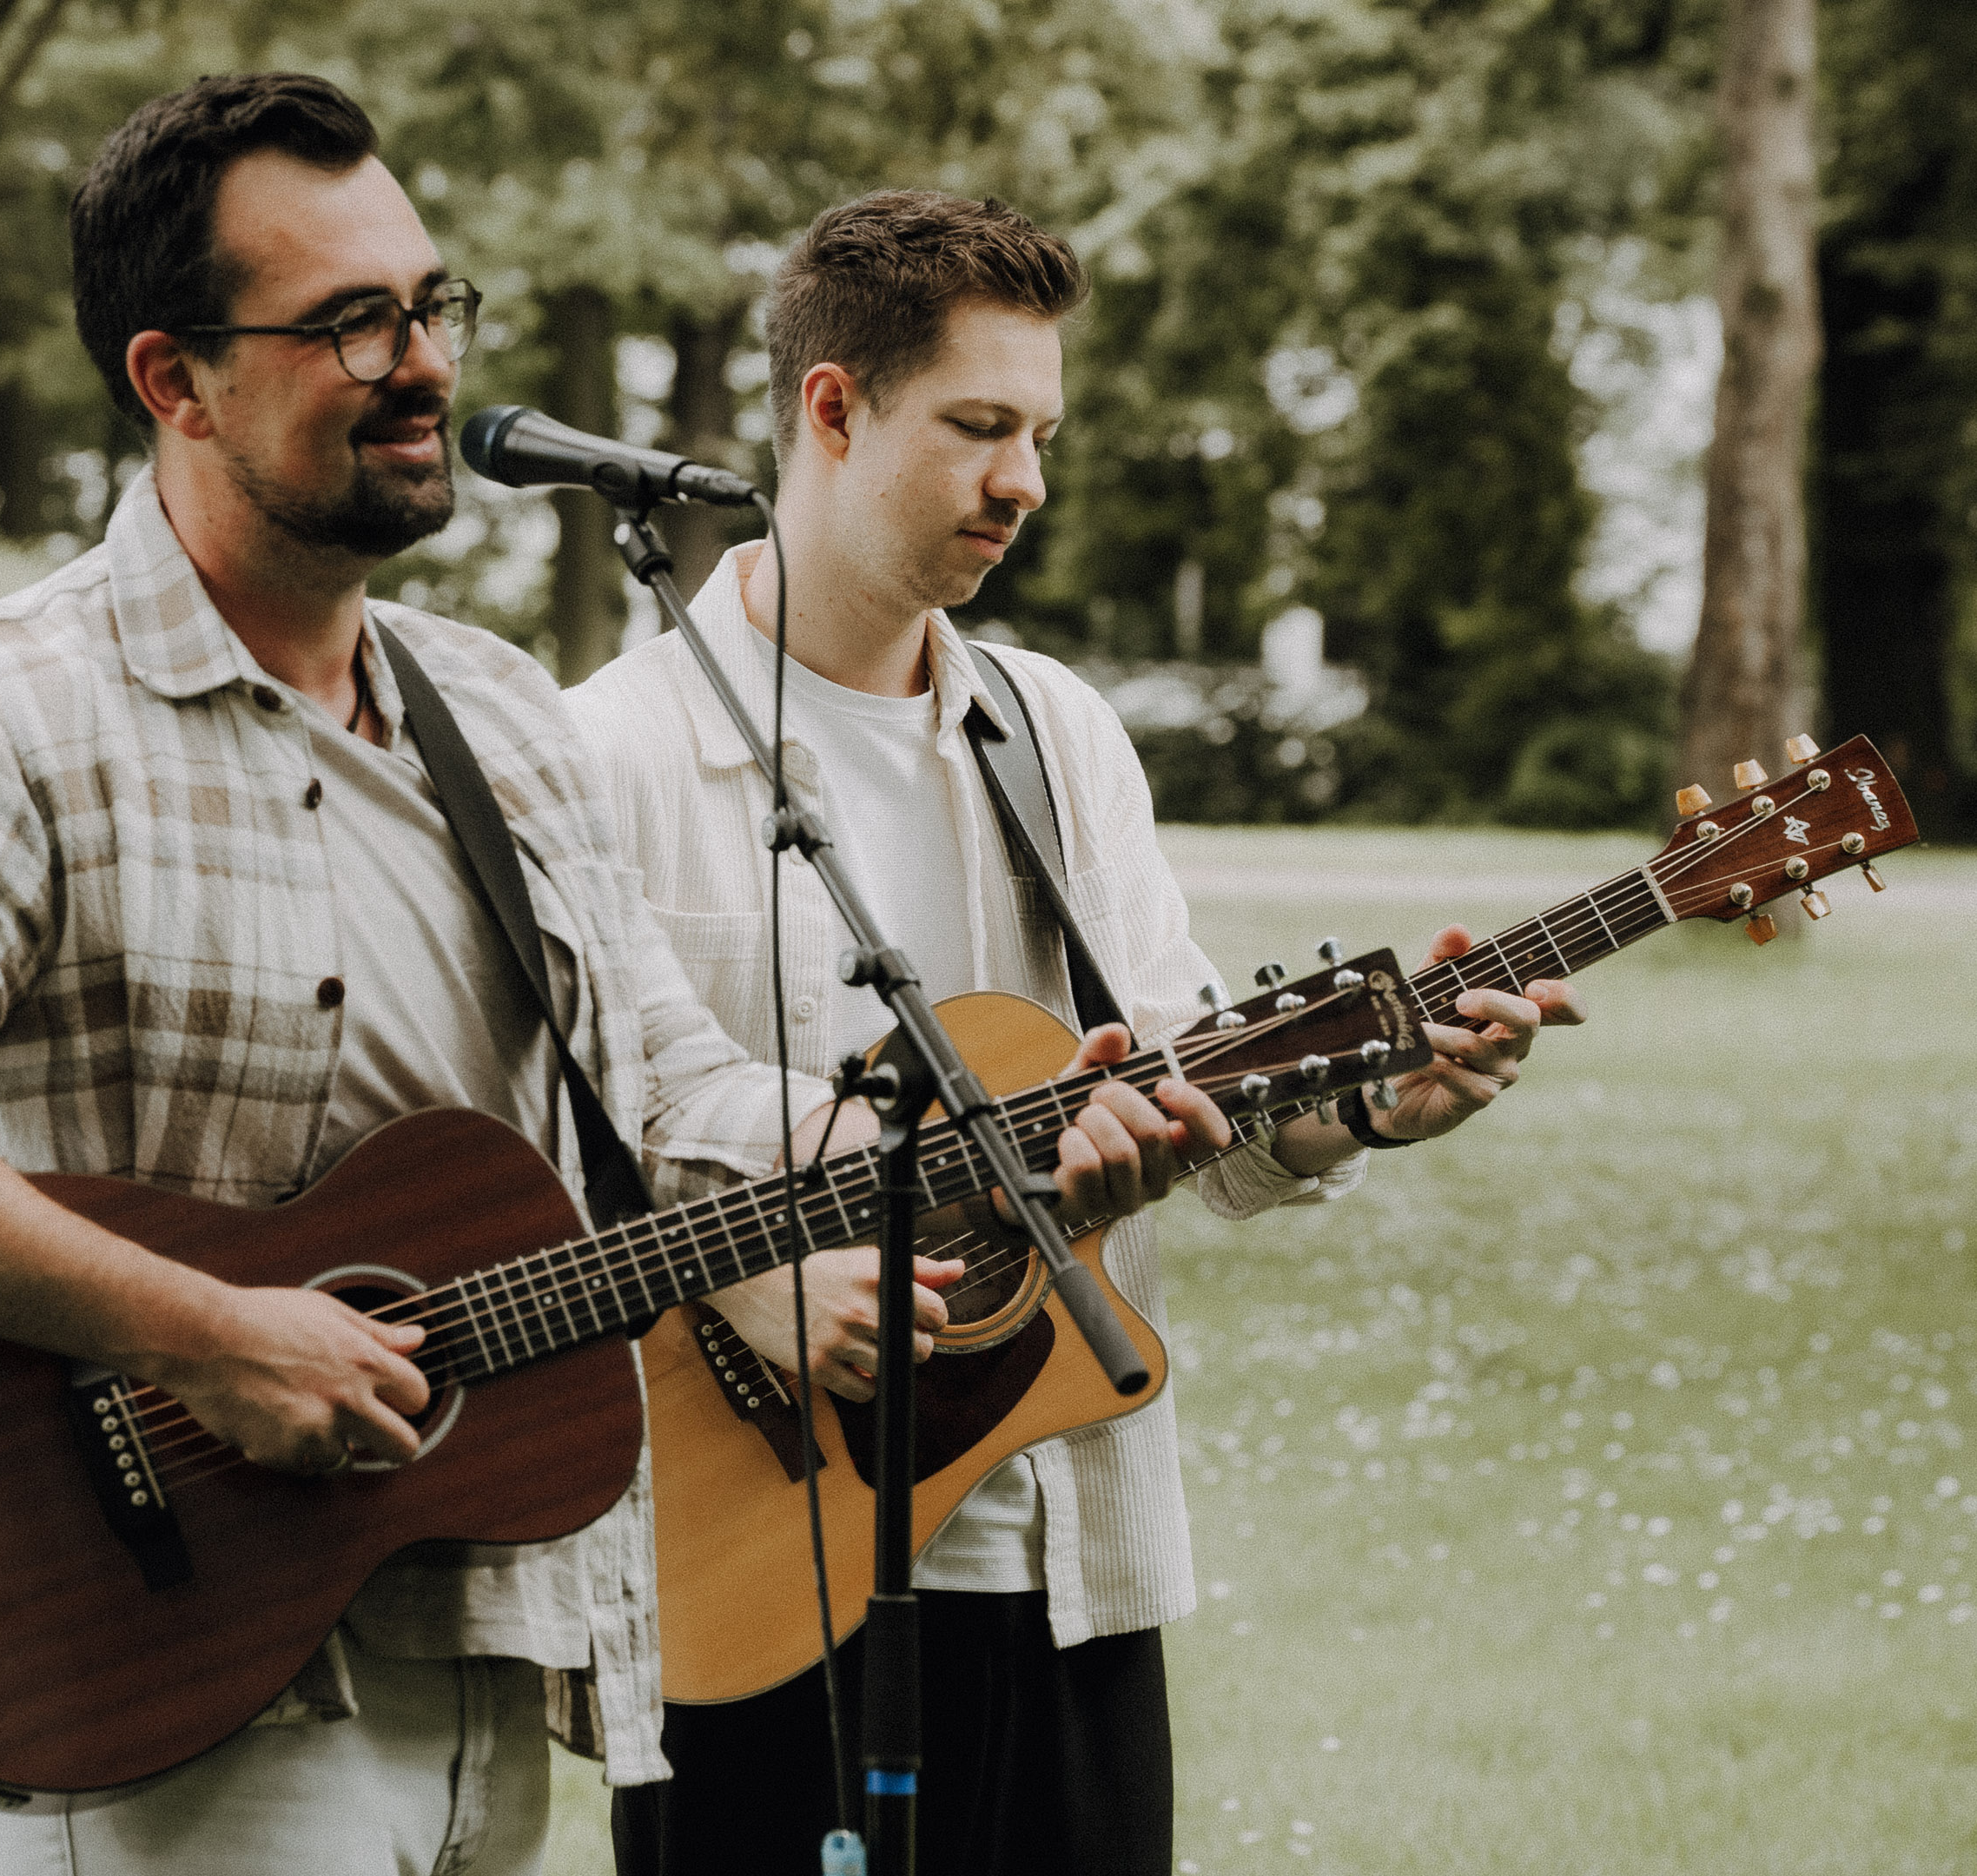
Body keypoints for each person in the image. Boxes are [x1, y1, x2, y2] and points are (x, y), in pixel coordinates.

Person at [0, 87, 1200, 1876]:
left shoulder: (487, 715)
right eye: (347, 324)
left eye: (429, 306)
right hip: (168, 1676)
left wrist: (945, 1149)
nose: (420, 366)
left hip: (486, 1663)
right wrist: (207, 1333)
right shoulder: (6, 714)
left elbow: (675, 1089)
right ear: (175, 381)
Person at [565, 189, 1582, 1876]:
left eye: (1038, 432)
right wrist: (733, 1272)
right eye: (978, 428)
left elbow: (1195, 1084)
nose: (1025, 481)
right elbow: (540, 1154)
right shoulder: (605, 758)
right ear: (831, 408)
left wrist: (1370, 1106)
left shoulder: (1059, 734)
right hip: (745, 1570)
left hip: (1064, 1557)